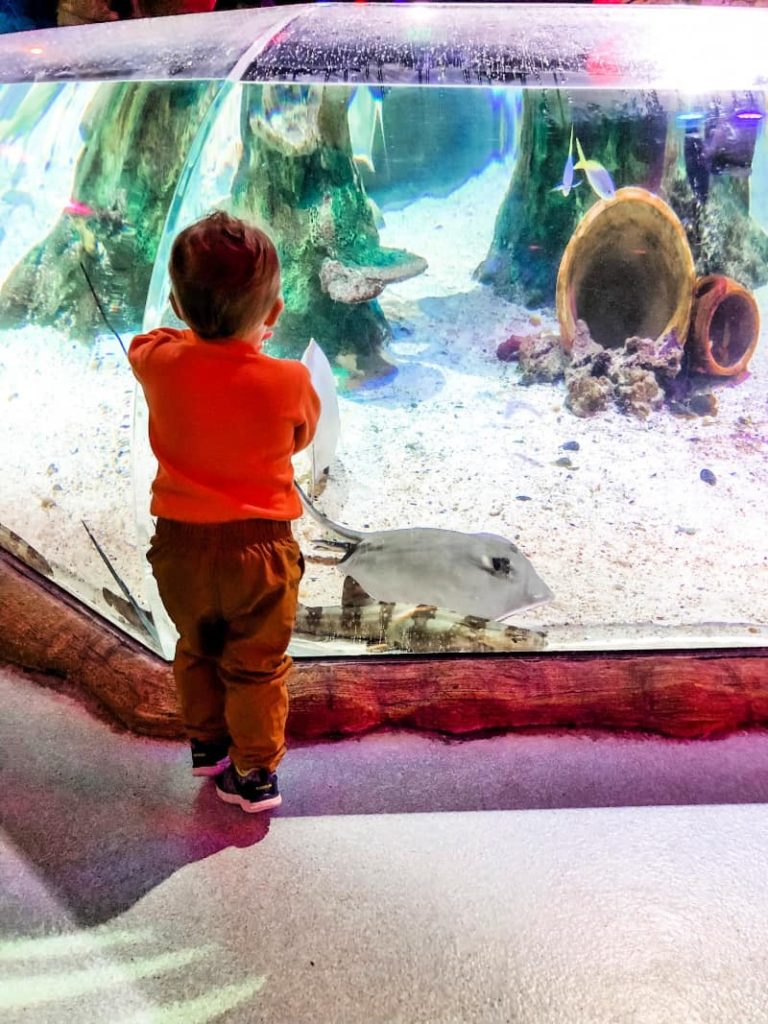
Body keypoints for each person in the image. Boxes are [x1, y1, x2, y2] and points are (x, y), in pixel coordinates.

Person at [129, 211, 320, 813]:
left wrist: (195, 336)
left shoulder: (160, 361)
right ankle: (254, 772)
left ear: (178, 308)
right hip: (258, 552)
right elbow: (301, 437)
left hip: (180, 549)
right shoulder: (289, 379)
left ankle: (207, 745)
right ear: (275, 314)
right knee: (256, 666)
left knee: (196, 644)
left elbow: (147, 341)